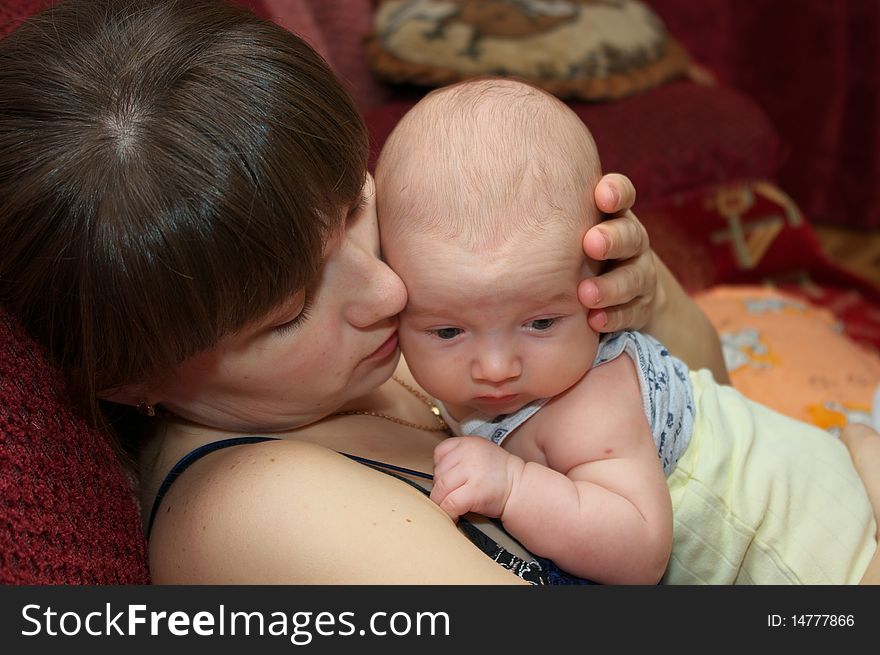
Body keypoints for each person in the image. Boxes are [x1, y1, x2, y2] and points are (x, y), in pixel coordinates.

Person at [0, 0, 878, 585]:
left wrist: (634, 306)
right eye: (291, 311)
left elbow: (692, 406)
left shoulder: (341, 364)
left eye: (355, 203)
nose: (388, 289)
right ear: (133, 380)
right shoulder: (257, 509)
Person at [374, 77, 879, 584]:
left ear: (601, 280)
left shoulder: (589, 404)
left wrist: (513, 486)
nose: (497, 368)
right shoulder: (533, 366)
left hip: (821, 552)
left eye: (542, 322)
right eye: (447, 332)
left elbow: (639, 552)